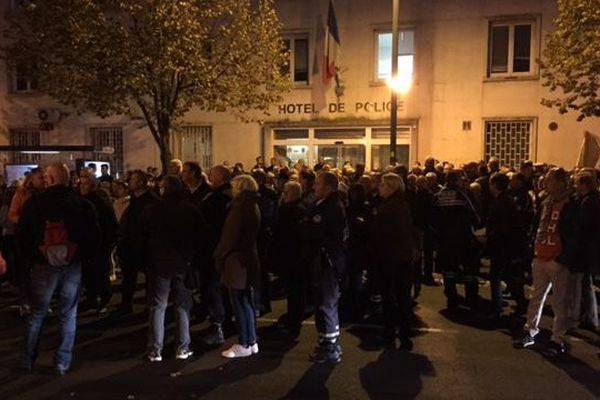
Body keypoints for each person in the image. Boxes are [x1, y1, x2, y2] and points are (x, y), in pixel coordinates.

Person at [18, 163, 98, 375]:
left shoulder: (35, 203)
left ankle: (27, 359)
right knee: (68, 313)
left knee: (37, 313)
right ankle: (62, 361)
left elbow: (22, 235)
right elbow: (93, 236)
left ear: (50, 179)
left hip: (42, 264)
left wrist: (30, 259)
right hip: (72, 263)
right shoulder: (82, 204)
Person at [140, 175, 206, 362]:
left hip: (158, 263)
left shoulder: (151, 211)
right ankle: (182, 347)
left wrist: (145, 260)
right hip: (183, 263)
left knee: (158, 306)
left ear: (163, 190)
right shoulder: (190, 210)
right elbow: (201, 236)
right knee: (182, 306)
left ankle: (155, 349)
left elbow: (141, 237)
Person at [519, 168, 578, 356]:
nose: (546, 183)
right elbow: (537, 226)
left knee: (560, 302)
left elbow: (575, 234)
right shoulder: (545, 202)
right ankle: (530, 331)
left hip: (557, 258)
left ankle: (557, 339)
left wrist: (563, 257)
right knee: (536, 297)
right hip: (541, 254)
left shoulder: (571, 204)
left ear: (561, 182)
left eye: (550, 180)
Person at [303, 171, 348, 364]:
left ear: (329, 187)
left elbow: (314, 232)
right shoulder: (323, 205)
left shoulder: (331, 208)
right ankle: (325, 341)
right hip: (322, 261)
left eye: (318, 184)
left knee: (327, 303)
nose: (314, 187)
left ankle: (331, 347)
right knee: (321, 303)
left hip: (328, 262)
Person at [214, 174, 262, 359]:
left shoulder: (239, 209)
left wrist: (218, 255)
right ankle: (251, 340)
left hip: (237, 262)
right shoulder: (252, 206)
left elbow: (229, 238)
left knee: (239, 303)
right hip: (248, 259)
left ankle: (244, 342)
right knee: (247, 302)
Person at [373, 173, 416, 349]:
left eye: (383, 185)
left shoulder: (387, 208)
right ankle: (405, 333)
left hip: (389, 258)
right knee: (403, 296)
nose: (380, 188)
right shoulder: (403, 205)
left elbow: (380, 235)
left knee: (389, 297)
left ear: (391, 187)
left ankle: (389, 332)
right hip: (402, 257)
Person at [113, 170, 160, 317]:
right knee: (128, 277)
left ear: (140, 182)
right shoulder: (134, 198)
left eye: (132, 179)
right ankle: (126, 304)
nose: (129, 182)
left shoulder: (151, 200)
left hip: (144, 245)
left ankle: (148, 306)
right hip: (130, 244)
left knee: (149, 278)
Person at [432, 169, 481, 310]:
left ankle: (451, 298)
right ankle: (471, 299)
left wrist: (439, 235)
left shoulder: (438, 196)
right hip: (464, 238)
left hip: (445, 241)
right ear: (456, 180)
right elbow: (475, 216)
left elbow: (432, 220)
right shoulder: (463, 195)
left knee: (449, 271)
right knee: (469, 271)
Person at [199, 165, 233, 345]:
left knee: (214, 288)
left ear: (220, 177)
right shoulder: (232, 196)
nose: (210, 177)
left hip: (213, 249)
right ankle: (226, 321)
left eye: (212, 174)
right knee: (225, 289)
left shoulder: (216, 198)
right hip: (226, 250)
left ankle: (217, 325)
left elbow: (208, 226)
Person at [79, 168, 119, 314]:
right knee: (89, 273)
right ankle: (92, 297)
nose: (82, 184)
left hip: (100, 243)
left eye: (85, 180)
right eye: (81, 180)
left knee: (100, 272)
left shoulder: (100, 201)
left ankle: (103, 298)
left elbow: (108, 222)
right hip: (88, 242)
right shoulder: (82, 200)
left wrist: (108, 241)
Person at [487, 173, 526, 316]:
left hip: (503, 245)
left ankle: (497, 306)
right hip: (508, 244)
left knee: (497, 275)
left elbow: (502, 227)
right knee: (508, 275)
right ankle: (520, 302)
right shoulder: (506, 200)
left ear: (495, 185)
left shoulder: (502, 202)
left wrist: (490, 238)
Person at [272, 181, 306, 334]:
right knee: (294, 290)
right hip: (294, 256)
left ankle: (293, 320)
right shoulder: (300, 209)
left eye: (285, 192)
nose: (283, 195)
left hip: (293, 256)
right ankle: (293, 317)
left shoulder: (291, 210)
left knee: (295, 291)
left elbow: (285, 234)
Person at [572, 172, 600, 331]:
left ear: (584, 185)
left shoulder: (589, 202)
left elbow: (584, 228)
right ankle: (587, 314)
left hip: (588, 249)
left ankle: (590, 316)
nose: (576, 187)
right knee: (585, 283)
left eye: (577, 184)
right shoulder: (593, 200)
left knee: (585, 283)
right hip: (591, 248)